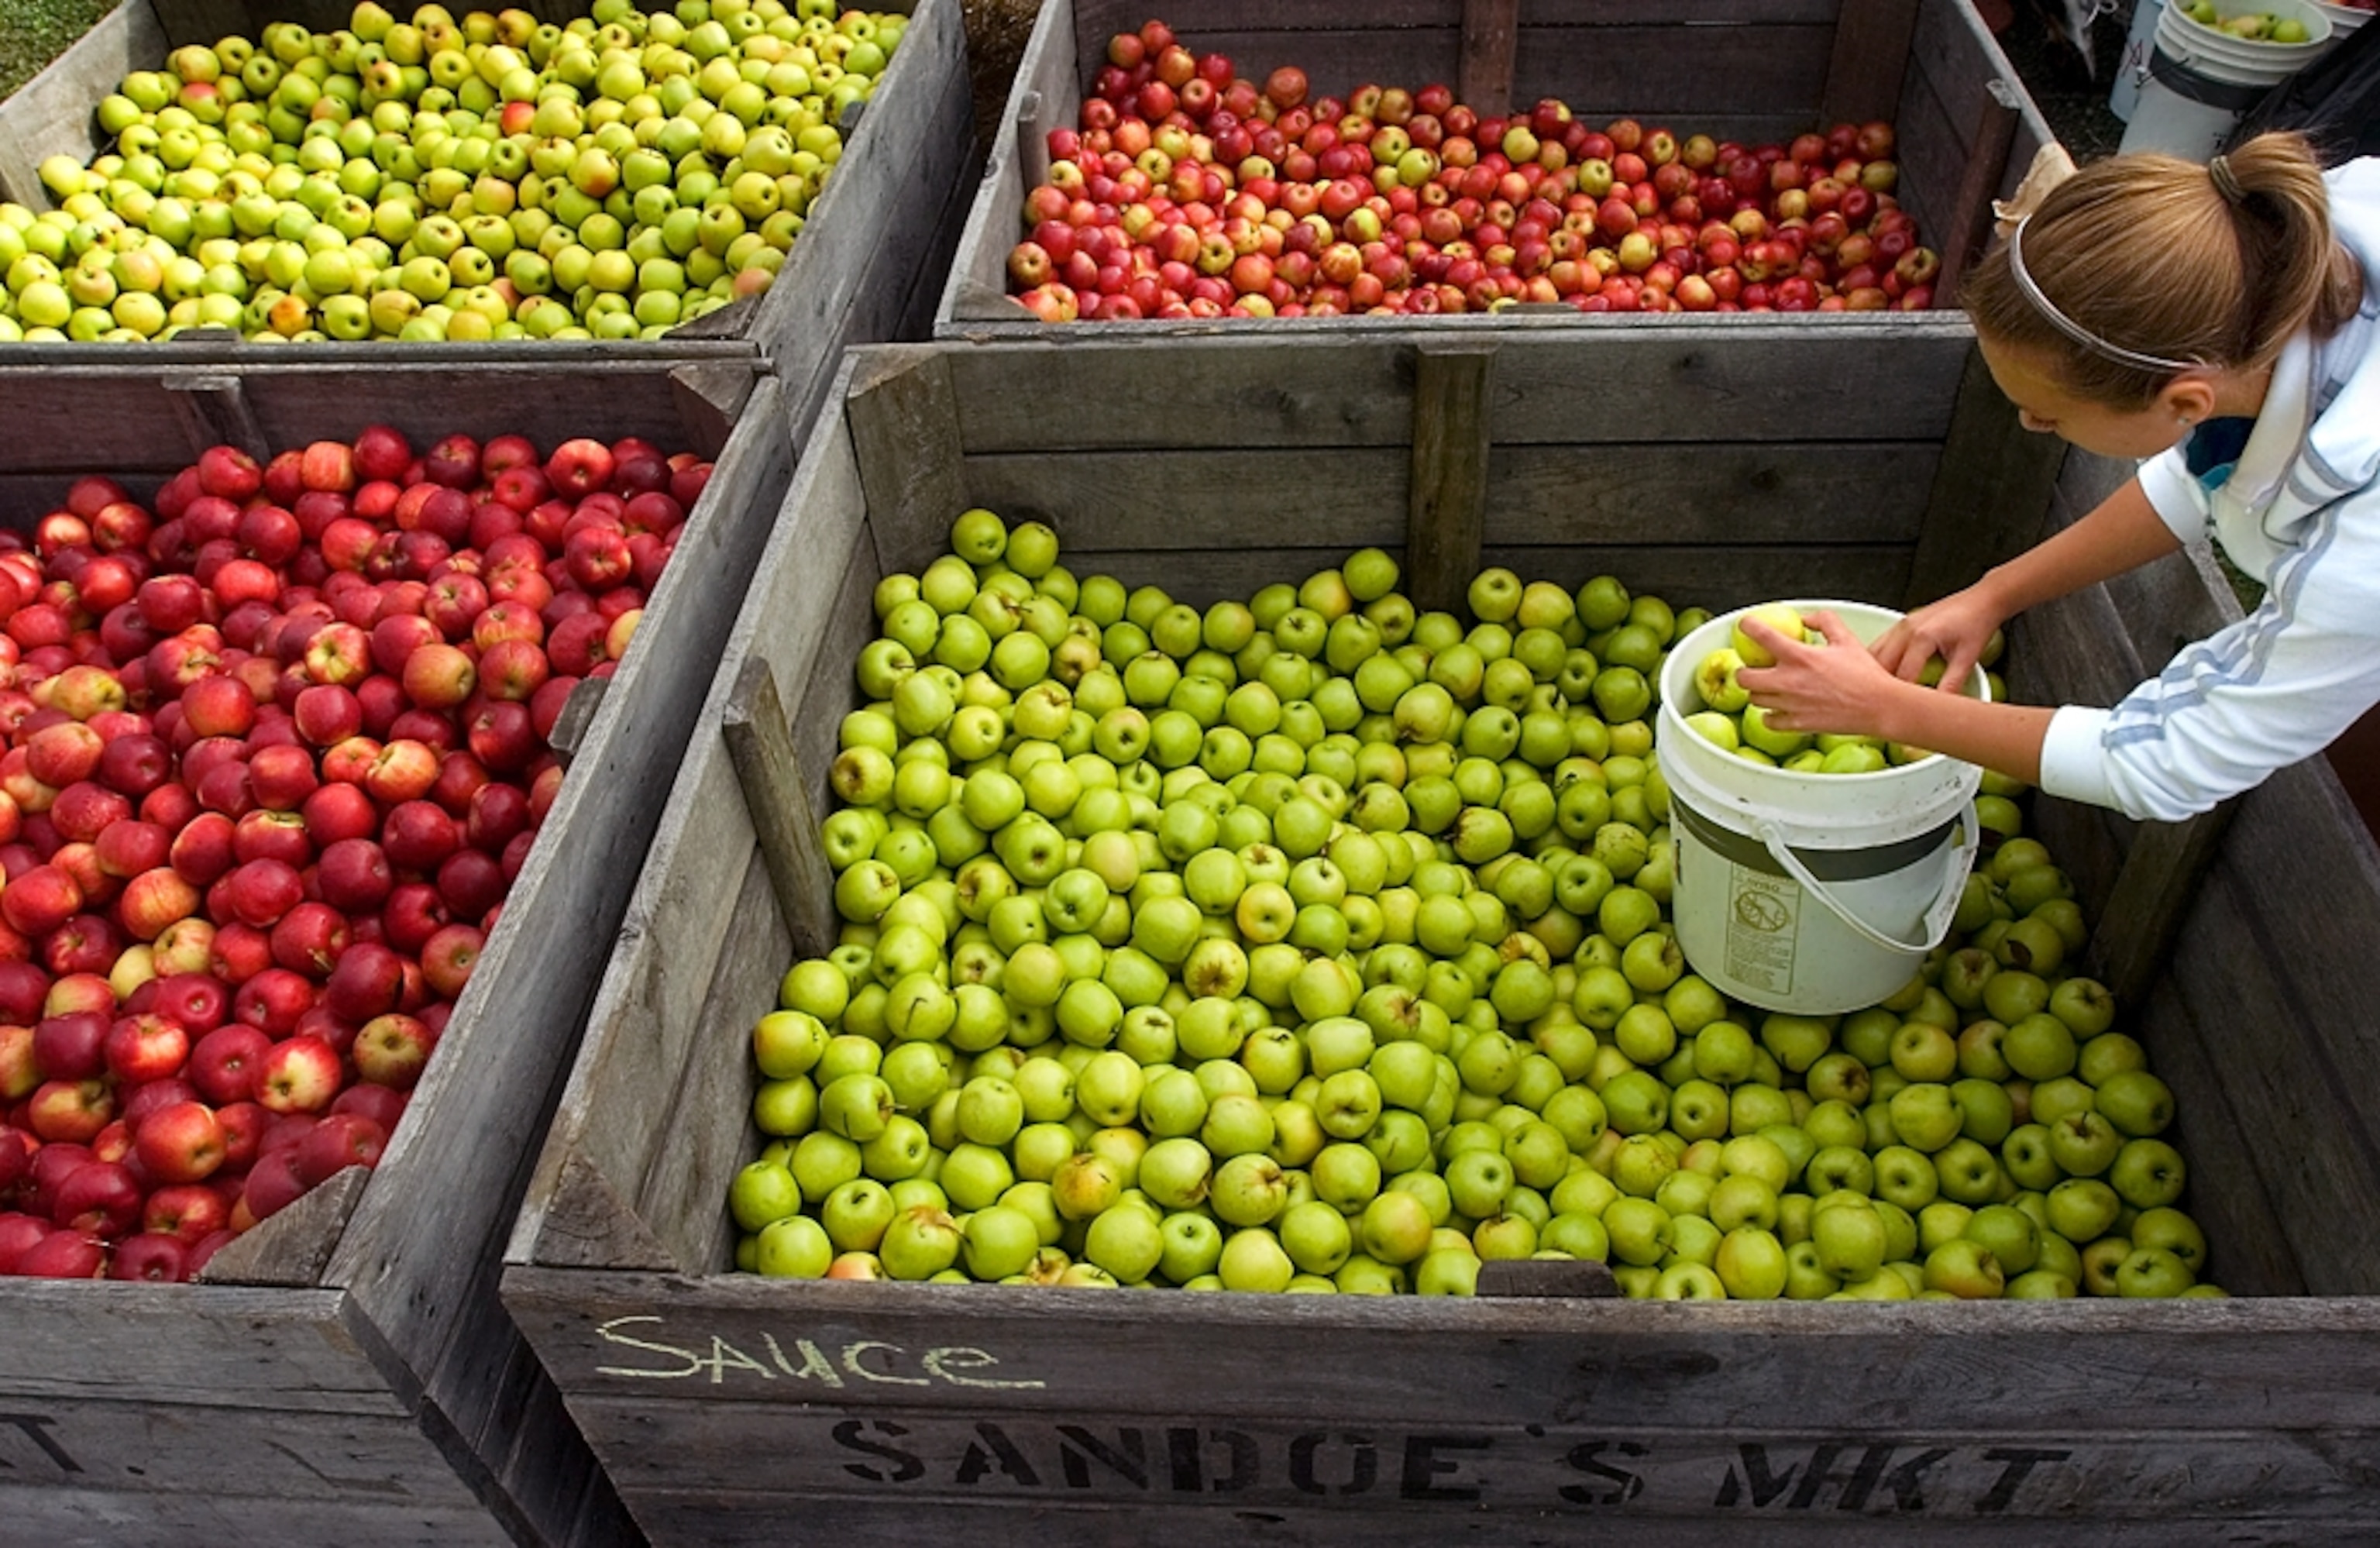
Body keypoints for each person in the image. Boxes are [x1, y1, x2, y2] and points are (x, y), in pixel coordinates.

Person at [1735, 132, 2379, 824]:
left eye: (2048, 416)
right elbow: (2202, 474)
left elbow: (2166, 762)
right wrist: (1996, 592)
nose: (2029, 427)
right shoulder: (2268, 256)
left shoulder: (2361, 548)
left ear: (2184, 400)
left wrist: (1887, 709)